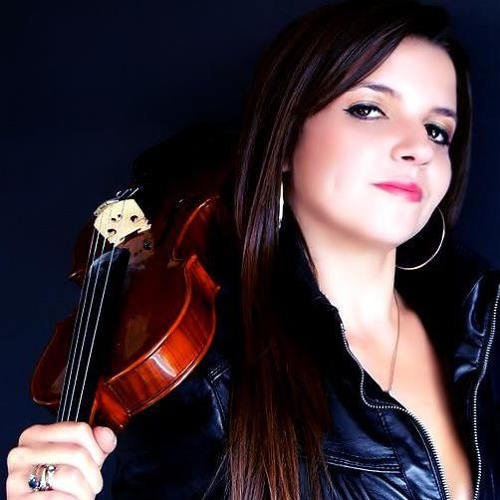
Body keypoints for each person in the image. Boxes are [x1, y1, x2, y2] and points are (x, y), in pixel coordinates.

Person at [6, 0, 500, 498]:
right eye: (368, 109)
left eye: (437, 130)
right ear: (284, 140)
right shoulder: (207, 377)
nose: (418, 147)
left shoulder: (484, 323)